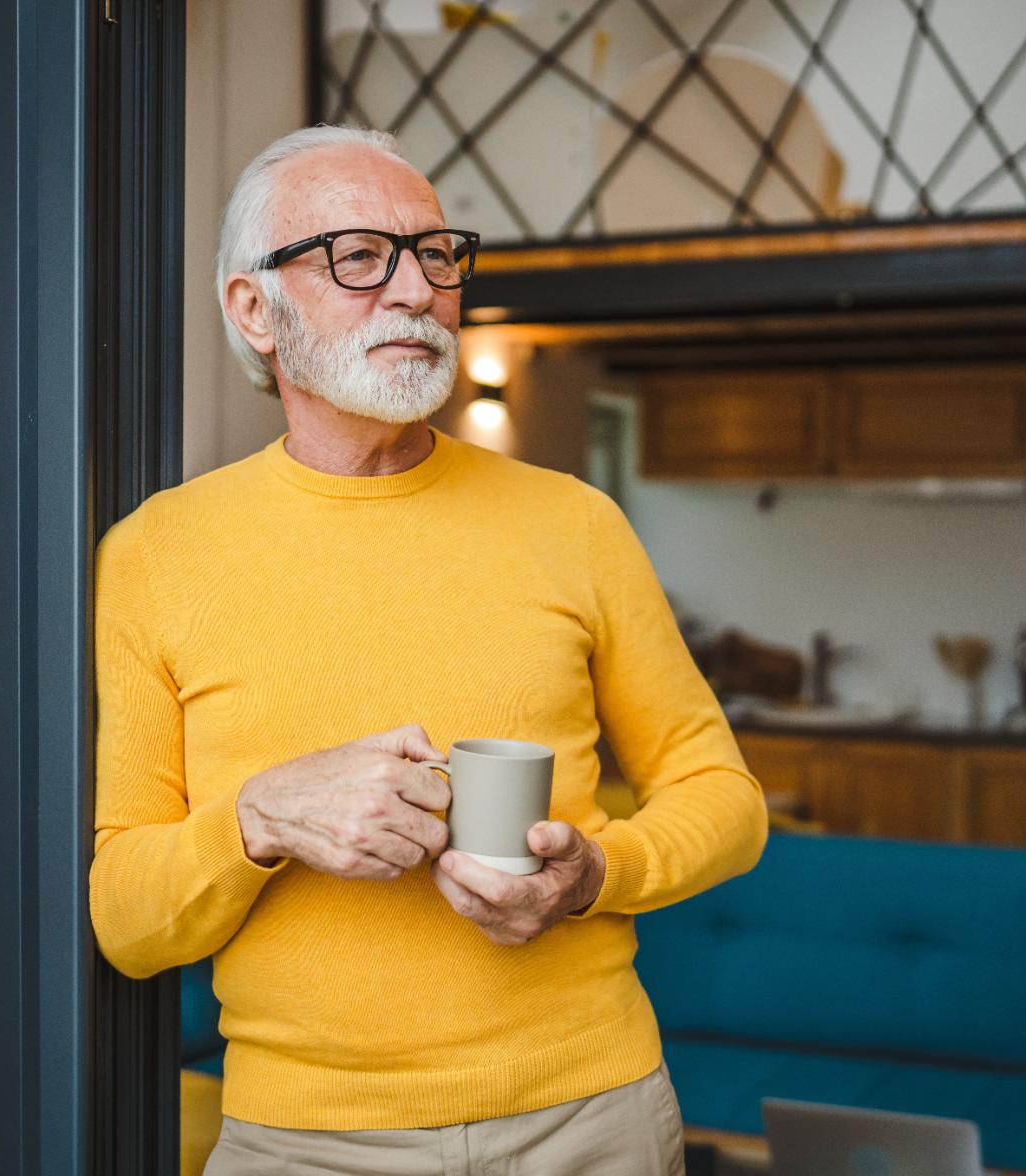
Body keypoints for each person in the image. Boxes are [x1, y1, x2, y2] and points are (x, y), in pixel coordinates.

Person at [89, 125, 769, 1175]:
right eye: (358, 256)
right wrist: (260, 818)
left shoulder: (573, 522)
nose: (415, 290)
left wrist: (596, 870)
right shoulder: (153, 556)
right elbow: (128, 919)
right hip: (300, 1143)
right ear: (253, 310)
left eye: (437, 254)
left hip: (592, 1118)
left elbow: (722, 796)